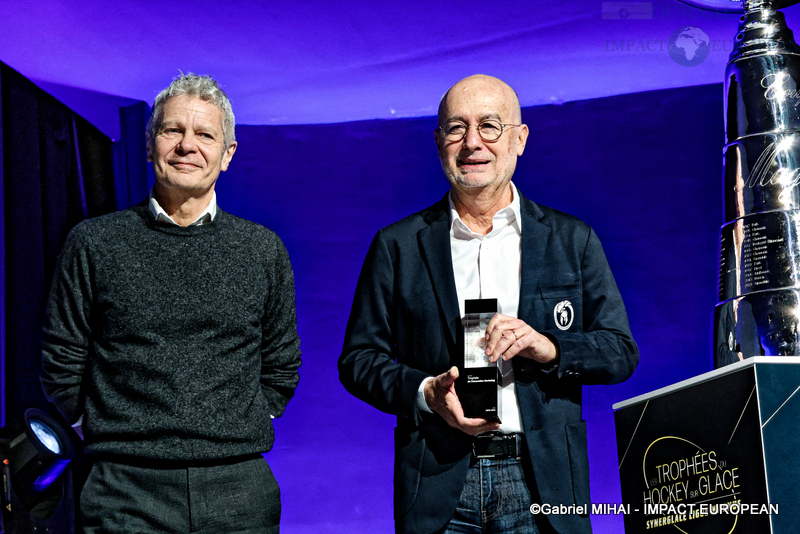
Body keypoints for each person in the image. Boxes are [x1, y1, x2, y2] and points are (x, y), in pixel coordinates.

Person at [338, 74, 638, 534]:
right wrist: (425, 393)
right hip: (437, 483)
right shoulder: (397, 246)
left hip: (544, 487)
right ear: (439, 143)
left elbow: (620, 352)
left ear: (519, 139)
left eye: (490, 126)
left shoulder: (571, 240)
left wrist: (550, 348)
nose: (472, 142)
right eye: (457, 128)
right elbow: (359, 360)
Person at [40, 73, 301, 534]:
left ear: (227, 155)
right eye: (171, 130)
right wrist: (103, 427)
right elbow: (62, 359)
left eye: (204, 134)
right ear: (149, 145)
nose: (187, 145)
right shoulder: (94, 243)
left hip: (238, 488)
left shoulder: (262, 249)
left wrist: (232, 425)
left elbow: (281, 364)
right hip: (124, 489)